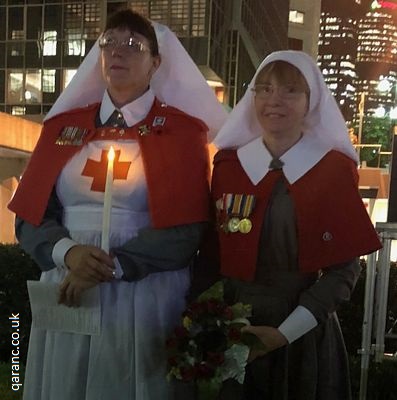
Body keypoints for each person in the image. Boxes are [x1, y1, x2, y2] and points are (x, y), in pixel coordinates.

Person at [8, 8, 226, 400]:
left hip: (143, 290)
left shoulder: (182, 131)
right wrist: (68, 253)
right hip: (69, 282)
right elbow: (30, 215)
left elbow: (186, 229)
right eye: (109, 43)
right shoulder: (63, 127)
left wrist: (111, 266)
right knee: (65, 383)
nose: (118, 52)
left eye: (133, 45)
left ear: (156, 63)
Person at [209, 50, 382, 399]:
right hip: (237, 326)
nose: (275, 100)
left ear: (310, 102)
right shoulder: (229, 165)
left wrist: (287, 331)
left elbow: (344, 269)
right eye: (265, 89)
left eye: (290, 90)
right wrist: (214, 320)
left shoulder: (331, 169)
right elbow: (211, 252)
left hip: (303, 331)